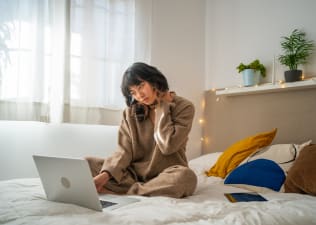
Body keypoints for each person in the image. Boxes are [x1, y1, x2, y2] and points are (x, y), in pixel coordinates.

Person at [85, 62, 197, 198]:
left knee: (186, 177)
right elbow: (124, 151)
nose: (139, 95)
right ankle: (143, 190)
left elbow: (168, 146)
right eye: (133, 92)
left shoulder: (184, 107)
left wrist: (162, 107)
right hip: (133, 175)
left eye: (141, 86)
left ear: (154, 80)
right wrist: (106, 175)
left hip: (167, 174)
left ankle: (130, 193)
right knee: (87, 163)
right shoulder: (130, 112)